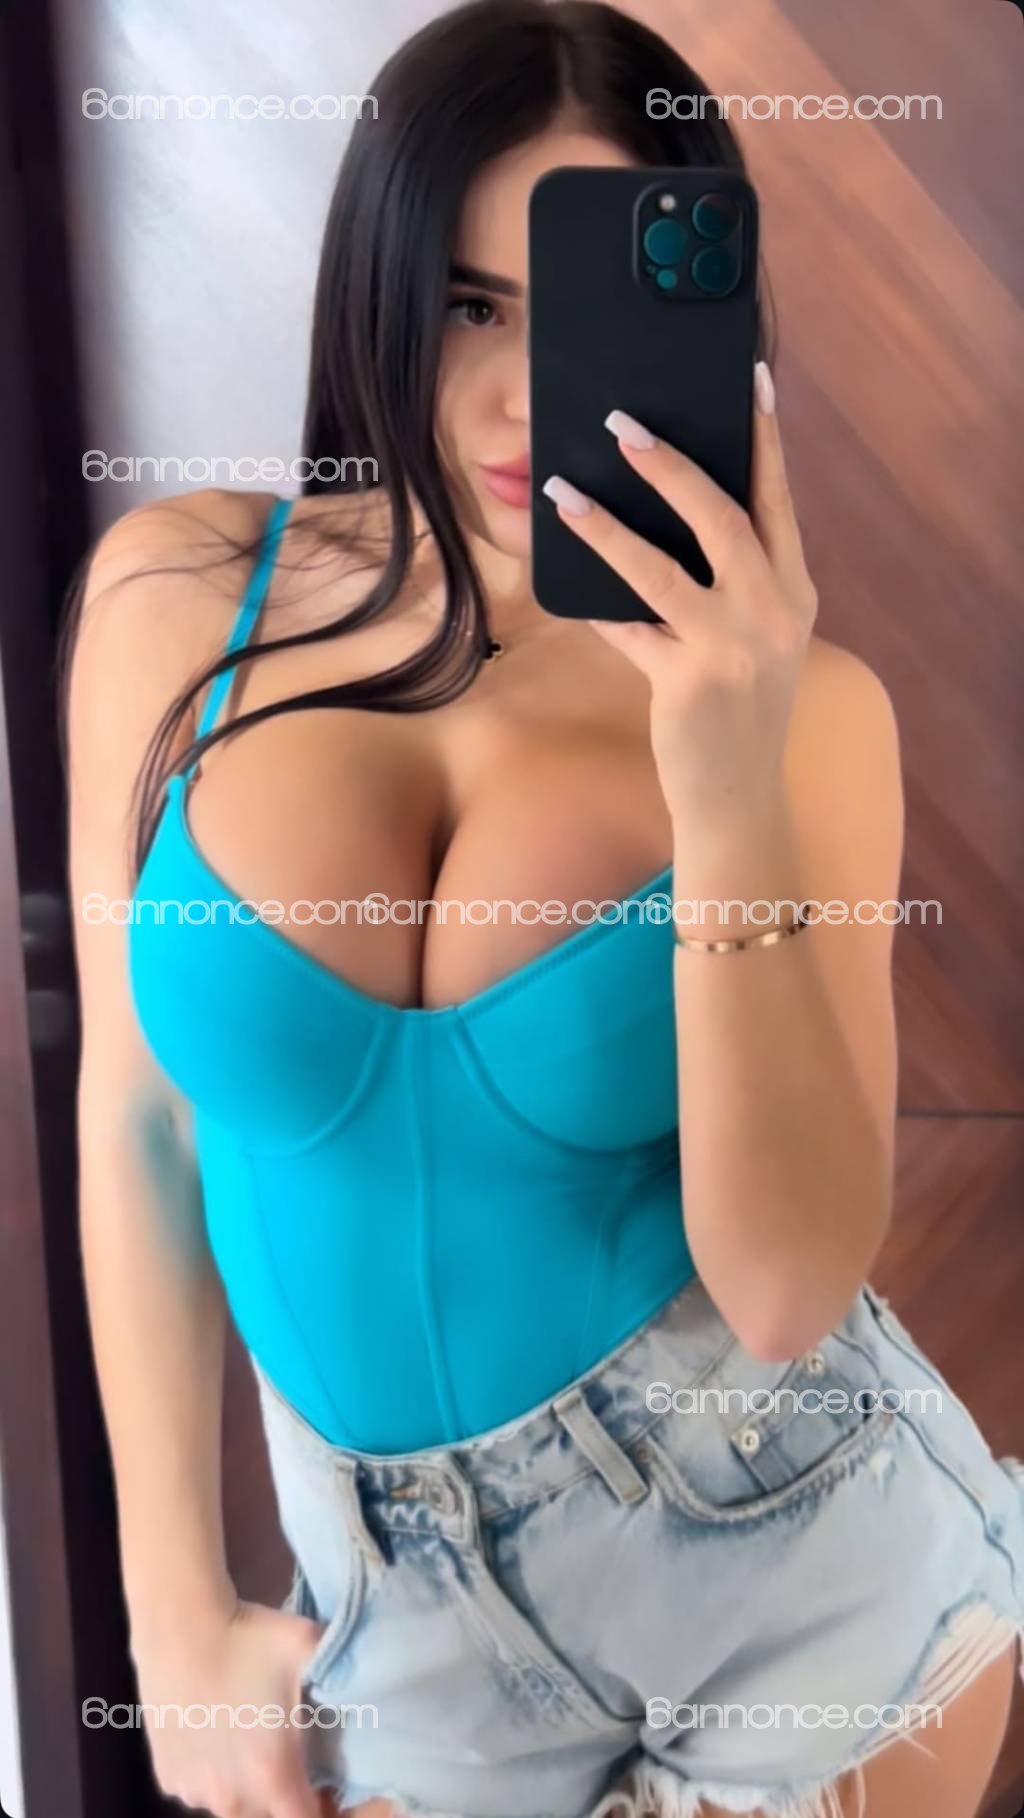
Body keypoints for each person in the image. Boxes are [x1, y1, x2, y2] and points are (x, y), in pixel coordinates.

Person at [61, 3, 1024, 1815]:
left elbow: (786, 1288)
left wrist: (723, 776)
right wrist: (170, 1605)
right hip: (399, 1633)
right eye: (469, 304)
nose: (520, 393)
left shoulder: (809, 720)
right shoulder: (175, 605)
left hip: (802, 1591)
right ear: (379, 291)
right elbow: (137, 1113)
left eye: (576, 309)